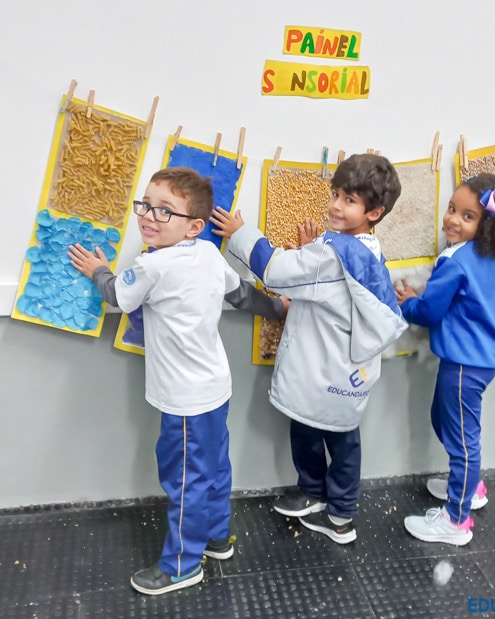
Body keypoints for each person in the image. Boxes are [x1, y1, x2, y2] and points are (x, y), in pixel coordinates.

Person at [68, 166, 287, 595]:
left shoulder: (151, 265)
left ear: (194, 226)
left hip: (185, 401)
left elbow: (116, 294)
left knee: (185, 480)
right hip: (215, 388)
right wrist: (278, 308)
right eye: (146, 205)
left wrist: (98, 269)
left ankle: (182, 565)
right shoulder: (208, 254)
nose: (149, 216)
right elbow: (240, 294)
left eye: (165, 210)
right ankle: (217, 537)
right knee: (214, 466)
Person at [210, 153, 408, 545]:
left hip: (324, 370)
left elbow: (276, 271)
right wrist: (310, 251)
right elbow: (327, 282)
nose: (335, 205)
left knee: (331, 437)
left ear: (374, 212)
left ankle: (341, 517)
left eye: (349, 200)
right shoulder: (365, 250)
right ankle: (318, 496)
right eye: (335, 194)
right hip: (346, 372)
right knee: (328, 432)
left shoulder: (332, 253)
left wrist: (240, 232)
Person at [396, 173, 495, 545]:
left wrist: (408, 303)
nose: (453, 220)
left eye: (467, 216)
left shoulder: (455, 260)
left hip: (462, 364)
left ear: (486, 223)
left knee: (461, 439)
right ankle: (468, 487)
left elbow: (429, 312)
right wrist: (493, 313)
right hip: (484, 362)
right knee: (445, 420)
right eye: (451, 209)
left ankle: (456, 520)